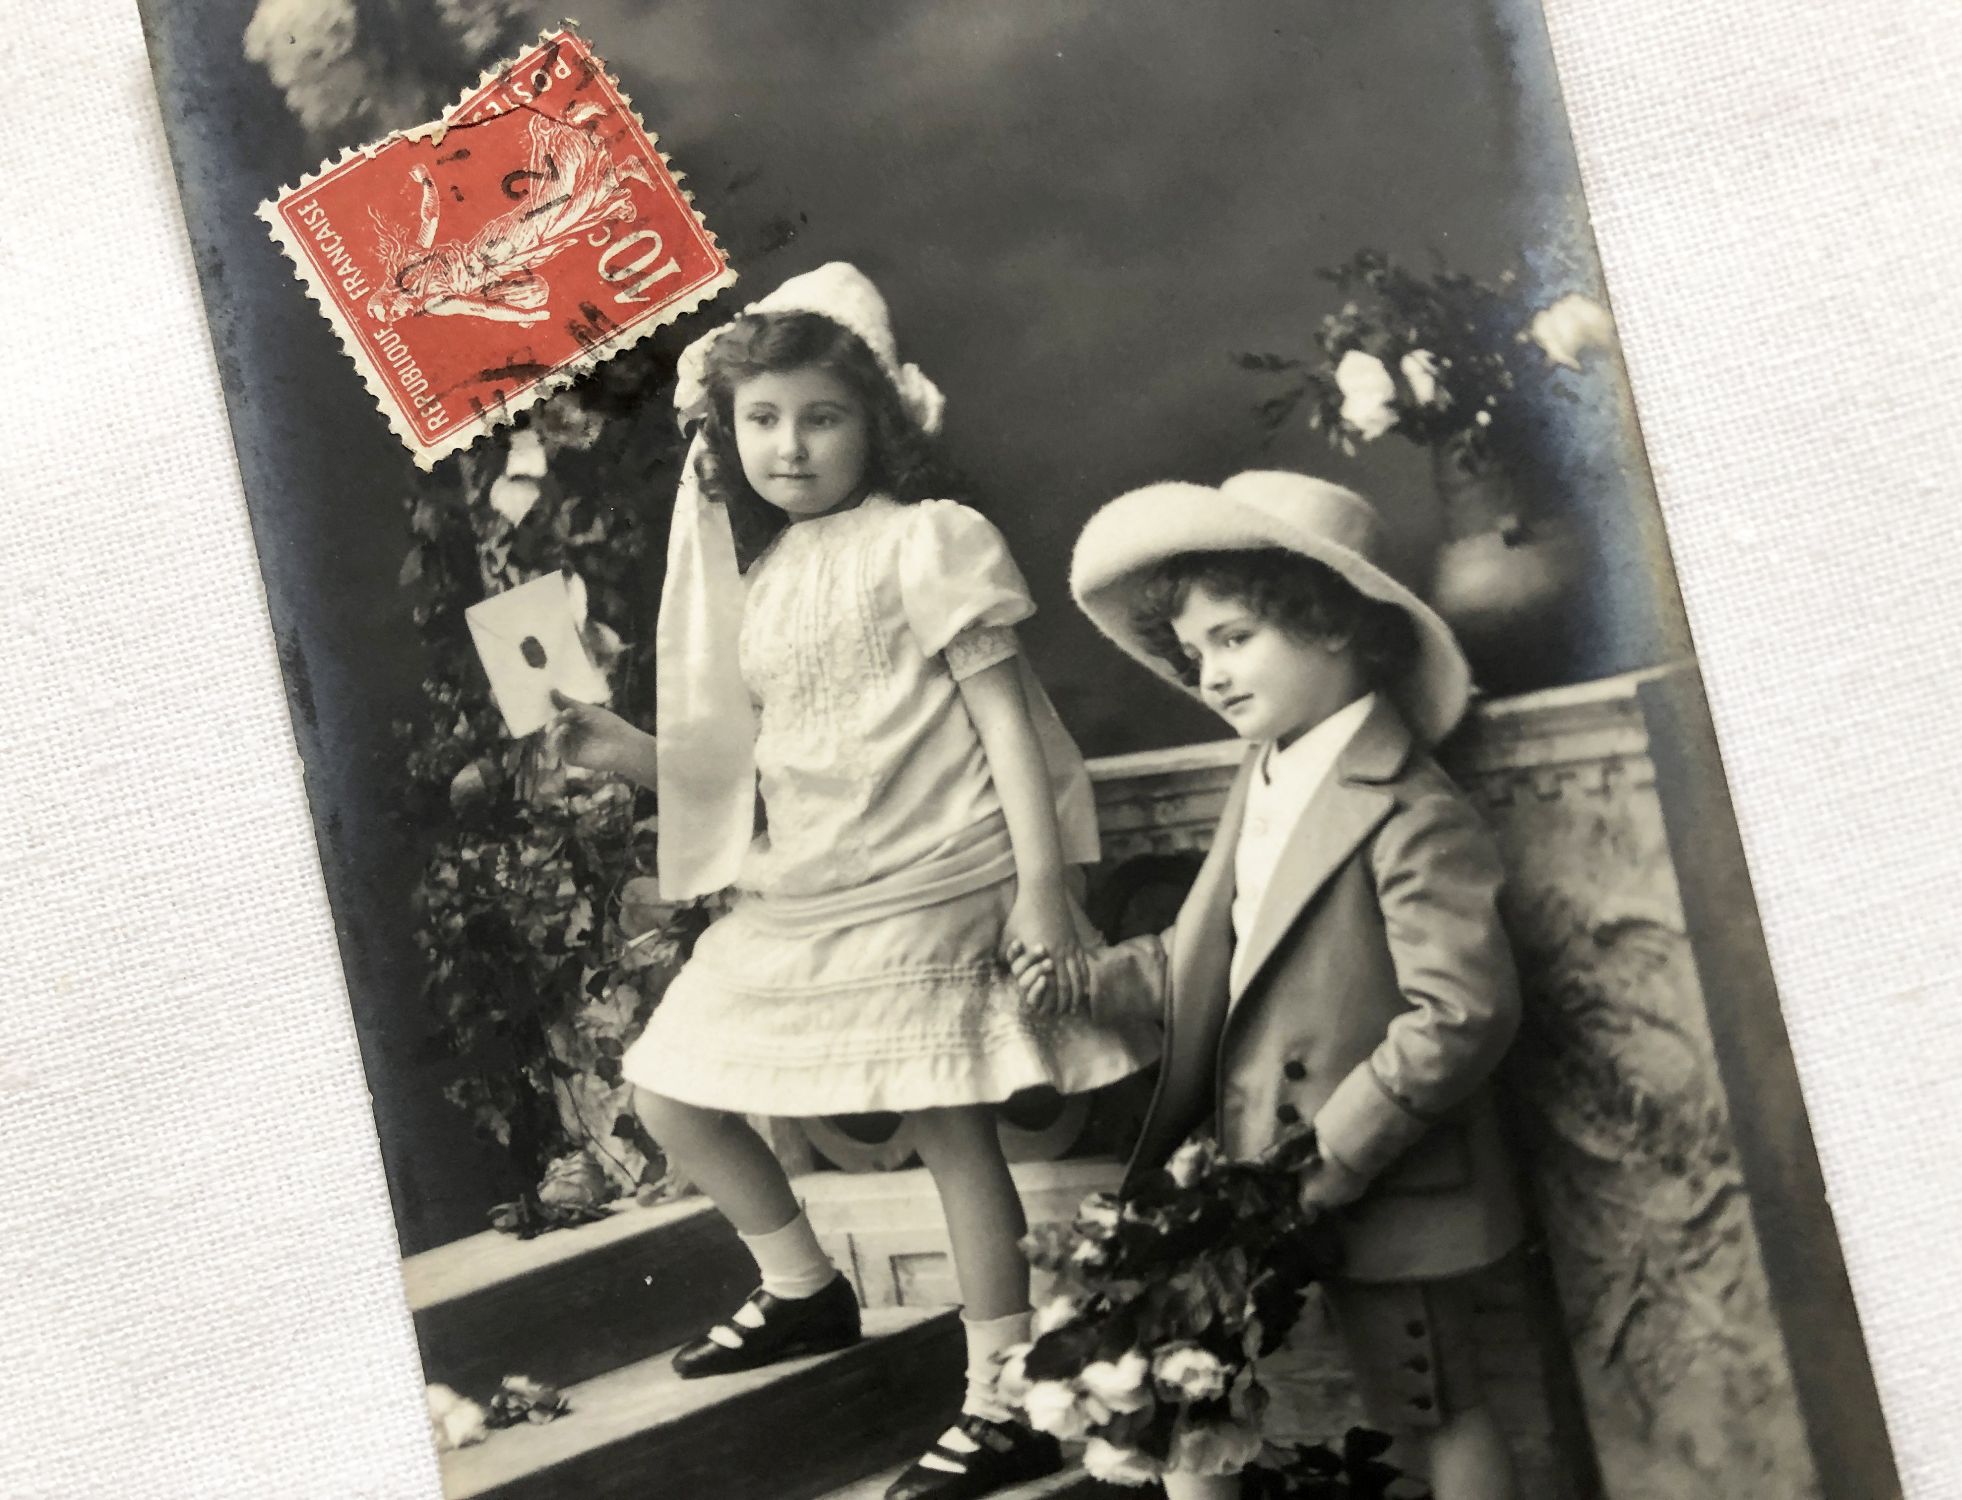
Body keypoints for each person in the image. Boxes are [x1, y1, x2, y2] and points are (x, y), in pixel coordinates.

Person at [550, 262, 1152, 1500]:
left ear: (880, 421)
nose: (789, 444)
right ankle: (802, 1289)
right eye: (760, 420)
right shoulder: (761, 582)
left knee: (949, 1124)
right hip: (811, 885)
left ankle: (1004, 1388)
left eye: (820, 416)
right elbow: (764, 765)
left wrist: (1040, 892)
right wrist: (631, 754)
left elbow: (1006, 730)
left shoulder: (930, 542)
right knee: (668, 1090)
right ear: (728, 436)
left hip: (938, 875)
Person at [1013, 471, 1524, 1500]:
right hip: (1242, 1173)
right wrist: (1085, 986)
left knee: (1429, 1403)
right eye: (1195, 651)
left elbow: (1460, 1014)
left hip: (1373, 1178)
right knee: (1170, 1397)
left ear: (1333, 623)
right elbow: (1219, 960)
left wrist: (1330, 1157)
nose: (1208, 674)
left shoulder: (1407, 805)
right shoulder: (1265, 777)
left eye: (1236, 638)